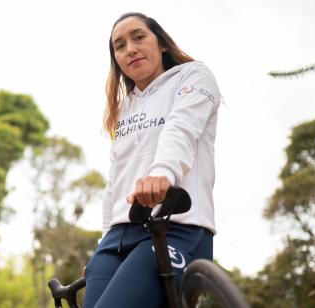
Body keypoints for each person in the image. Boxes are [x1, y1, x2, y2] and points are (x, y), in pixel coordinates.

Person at [83, 12, 221, 308]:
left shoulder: (194, 76)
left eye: (139, 37)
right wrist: (102, 242)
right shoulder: (122, 109)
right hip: (117, 238)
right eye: (119, 46)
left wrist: (162, 174)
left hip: (175, 225)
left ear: (160, 43)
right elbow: (115, 180)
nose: (130, 49)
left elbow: (181, 128)